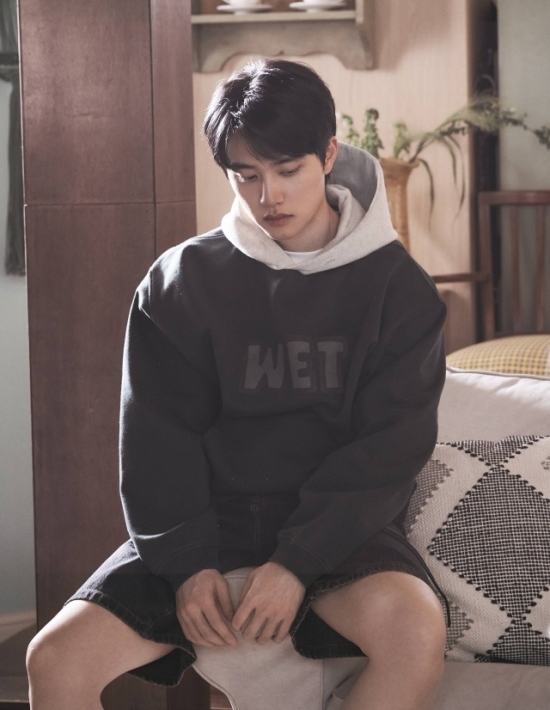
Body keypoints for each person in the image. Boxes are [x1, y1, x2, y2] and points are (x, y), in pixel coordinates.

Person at [26, 59, 448, 710]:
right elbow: (156, 442)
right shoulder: (179, 282)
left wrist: (297, 560)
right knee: (53, 658)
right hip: (207, 522)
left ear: (328, 154)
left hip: (341, 531)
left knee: (415, 631)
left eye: (288, 170)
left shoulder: (399, 289)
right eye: (245, 174)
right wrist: (186, 564)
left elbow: (390, 448)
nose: (268, 195)